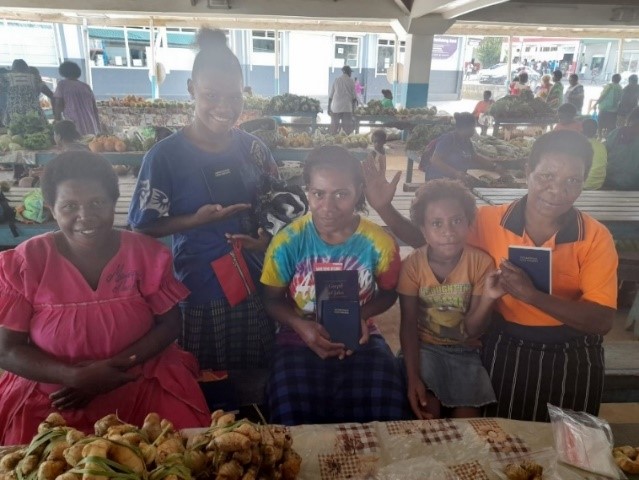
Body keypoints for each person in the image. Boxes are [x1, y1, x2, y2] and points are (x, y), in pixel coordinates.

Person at [363, 129, 618, 422]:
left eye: (572, 181)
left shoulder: (595, 237)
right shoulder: (489, 220)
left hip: (573, 351)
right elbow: (434, 240)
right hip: (508, 344)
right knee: (503, 440)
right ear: (527, 172)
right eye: (546, 176)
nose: (557, 190)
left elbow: (602, 320)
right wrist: (384, 208)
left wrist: (532, 296)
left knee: (571, 441)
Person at [0, 152, 210, 445]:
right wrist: (73, 377)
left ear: (114, 202)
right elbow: (7, 350)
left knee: (183, 453)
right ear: (51, 208)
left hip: (140, 378)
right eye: (70, 206)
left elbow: (170, 323)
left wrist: (110, 370)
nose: (85, 216)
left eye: (97, 203)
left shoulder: (146, 255)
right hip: (57, 395)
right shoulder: (26, 262)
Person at [128, 28, 279, 409]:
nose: (224, 106)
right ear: (192, 88)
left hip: (255, 283)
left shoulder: (254, 149)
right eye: (211, 95)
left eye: (234, 96)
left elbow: (279, 209)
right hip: (198, 287)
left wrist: (266, 239)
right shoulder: (165, 157)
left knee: (253, 380)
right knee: (203, 381)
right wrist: (195, 220)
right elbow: (143, 224)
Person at [261, 146, 405, 425]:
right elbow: (271, 300)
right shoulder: (288, 242)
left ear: (358, 192)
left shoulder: (379, 243)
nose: (328, 207)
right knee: (291, 410)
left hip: (361, 339)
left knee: (386, 404)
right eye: (318, 194)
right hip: (298, 340)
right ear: (307, 192)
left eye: (341, 194)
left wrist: (361, 317)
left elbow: (389, 293)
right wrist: (300, 325)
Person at [399, 179, 501, 420]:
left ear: (469, 223)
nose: (448, 231)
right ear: (423, 229)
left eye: (456, 221)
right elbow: (408, 325)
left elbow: (472, 330)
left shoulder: (481, 263)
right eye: (437, 223)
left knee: (468, 426)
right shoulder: (412, 266)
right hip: (424, 350)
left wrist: (488, 298)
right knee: (427, 416)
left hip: (466, 353)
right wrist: (413, 377)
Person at [425, 112, 503, 185]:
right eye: (473, 127)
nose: (474, 131)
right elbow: (435, 160)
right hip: (438, 181)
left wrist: (494, 166)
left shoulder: (466, 141)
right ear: (466, 127)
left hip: (454, 181)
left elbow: (475, 157)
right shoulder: (448, 139)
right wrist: (456, 173)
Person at [1, 59, 46, 126]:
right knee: (36, 132)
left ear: (13, 68)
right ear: (26, 68)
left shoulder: (6, 77)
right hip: (34, 111)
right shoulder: (35, 77)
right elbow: (48, 93)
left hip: (14, 111)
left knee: (15, 132)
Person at [603, 107, 639, 191]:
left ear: (630, 119)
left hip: (610, 180)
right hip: (635, 184)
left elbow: (604, 152)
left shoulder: (617, 132)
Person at [329, 65, 356, 134]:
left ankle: (333, 140)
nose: (351, 74)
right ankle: (345, 142)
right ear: (349, 72)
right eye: (350, 72)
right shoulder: (351, 81)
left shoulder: (337, 80)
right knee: (346, 130)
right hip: (347, 107)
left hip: (336, 107)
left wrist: (329, 107)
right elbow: (354, 98)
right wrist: (354, 109)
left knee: (334, 128)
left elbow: (331, 96)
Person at [581, 118, 607, 190]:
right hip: (598, 184)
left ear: (581, 129)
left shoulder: (579, 144)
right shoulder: (601, 146)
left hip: (583, 184)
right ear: (596, 131)